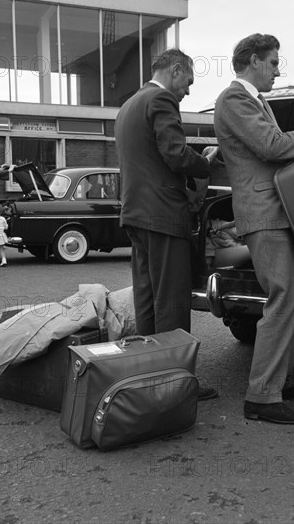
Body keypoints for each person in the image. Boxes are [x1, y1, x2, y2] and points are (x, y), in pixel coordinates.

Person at [214, 34, 294, 424]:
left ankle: (279, 381)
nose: (278, 70)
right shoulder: (234, 99)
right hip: (264, 214)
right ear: (254, 61)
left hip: (279, 212)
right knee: (283, 298)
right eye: (274, 62)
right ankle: (261, 396)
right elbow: (271, 146)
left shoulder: (253, 101)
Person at [115, 48, 219, 401]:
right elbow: (174, 153)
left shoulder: (130, 104)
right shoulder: (160, 99)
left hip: (135, 213)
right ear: (176, 70)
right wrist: (205, 163)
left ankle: (149, 377)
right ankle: (176, 384)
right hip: (162, 214)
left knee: (147, 298)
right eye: (188, 81)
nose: (187, 91)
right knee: (172, 300)